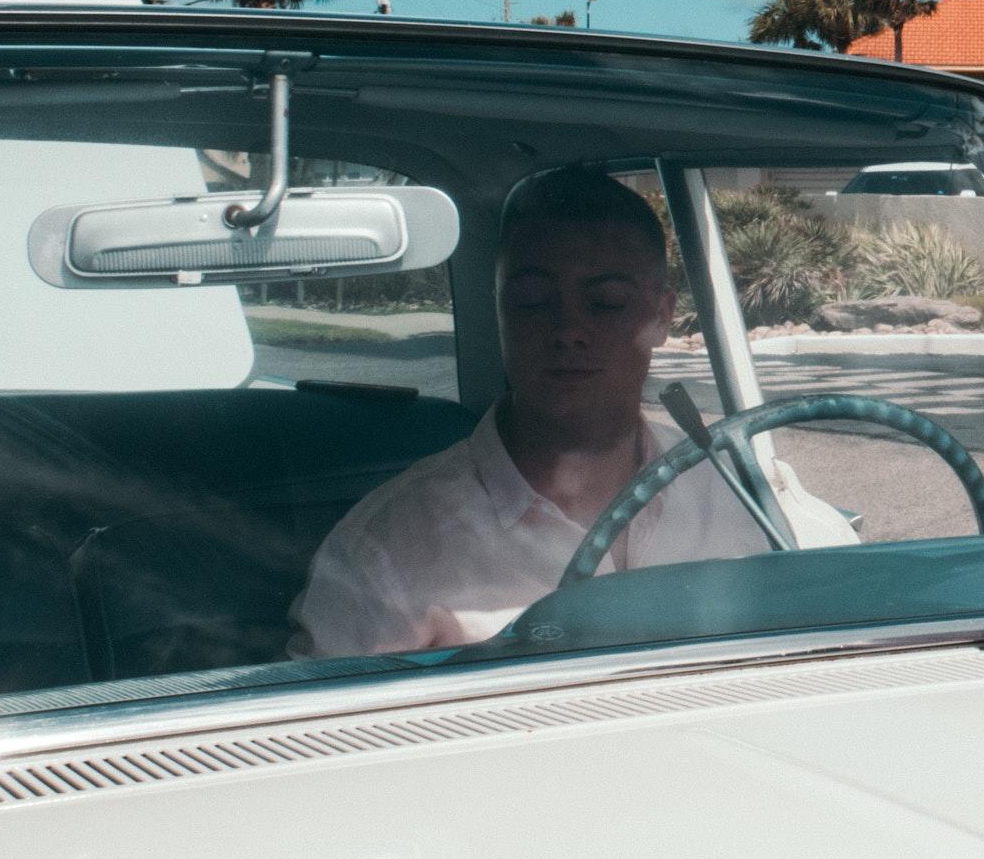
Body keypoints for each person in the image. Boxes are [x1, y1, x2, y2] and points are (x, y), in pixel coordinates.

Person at [289, 169, 845, 657]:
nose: (569, 331)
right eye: (533, 300)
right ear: (501, 312)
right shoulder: (389, 545)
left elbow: (849, 622)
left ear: (661, 316)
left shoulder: (737, 487)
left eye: (606, 303)